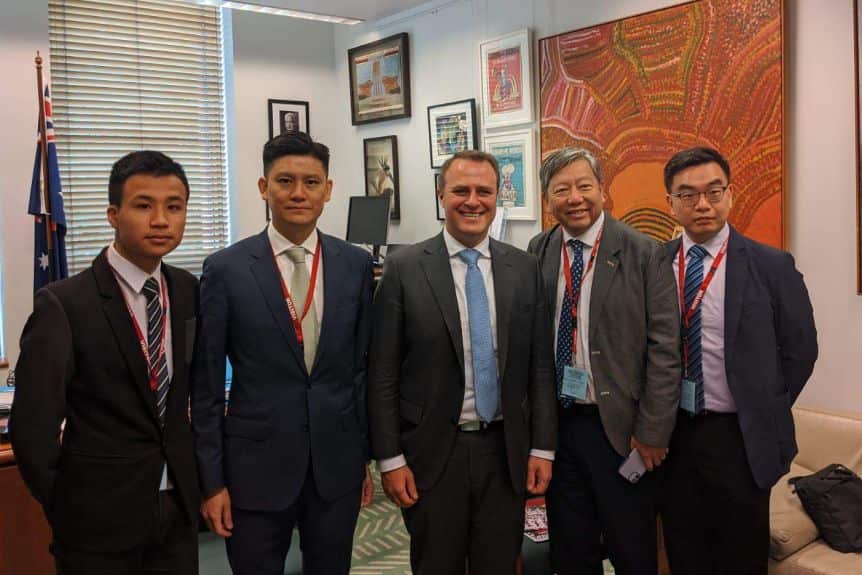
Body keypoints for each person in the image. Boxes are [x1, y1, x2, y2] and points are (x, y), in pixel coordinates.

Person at [191, 131, 374, 575]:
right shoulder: (226, 269)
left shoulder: (355, 264)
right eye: (285, 181)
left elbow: (360, 370)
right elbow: (207, 388)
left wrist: (362, 459)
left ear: (328, 190)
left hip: (336, 469)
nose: (298, 193)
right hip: (254, 472)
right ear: (263, 187)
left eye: (311, 183)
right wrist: (212, 482)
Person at [368, 150, 557, 575]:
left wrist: (543, 447)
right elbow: (381, 372)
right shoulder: (404, 268)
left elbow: (540, 368)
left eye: (484, 191)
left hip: (505, 451)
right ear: (441, 195)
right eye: (460, 190)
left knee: (498, 564)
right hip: (433, 452)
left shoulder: (524, 269)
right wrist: (390, 458)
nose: (473, 201)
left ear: (496, 198)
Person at [11, 151, 200, 574]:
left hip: (177, 509)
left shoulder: (188, 291)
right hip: (95, 523)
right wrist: (68, 507)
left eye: (174, 207)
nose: (160, 220)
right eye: (143, 205)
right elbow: (32, 431)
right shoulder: (64, 304)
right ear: (113, 214)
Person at [659, 146, 818, 575]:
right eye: (688, 195)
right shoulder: (654, 265)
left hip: (741, 438)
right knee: (683, 550)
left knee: (741, 557)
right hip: (673, 436)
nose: (703, 204)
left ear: (731, 194)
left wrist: (763, 403)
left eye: (714, 191)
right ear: (669, 203)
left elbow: (801, 349)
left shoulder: (771, 265)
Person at [527, 147, 681, 575]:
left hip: (622, 430)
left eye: (583, 186)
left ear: (603, 190)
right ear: (547, 199)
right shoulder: (538, 250)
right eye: (562, 189)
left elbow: (665, 351)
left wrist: (652, 432)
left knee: (631, 547)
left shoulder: (643, 253)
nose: (574, 198)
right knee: (572, 549)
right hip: (559, 426)